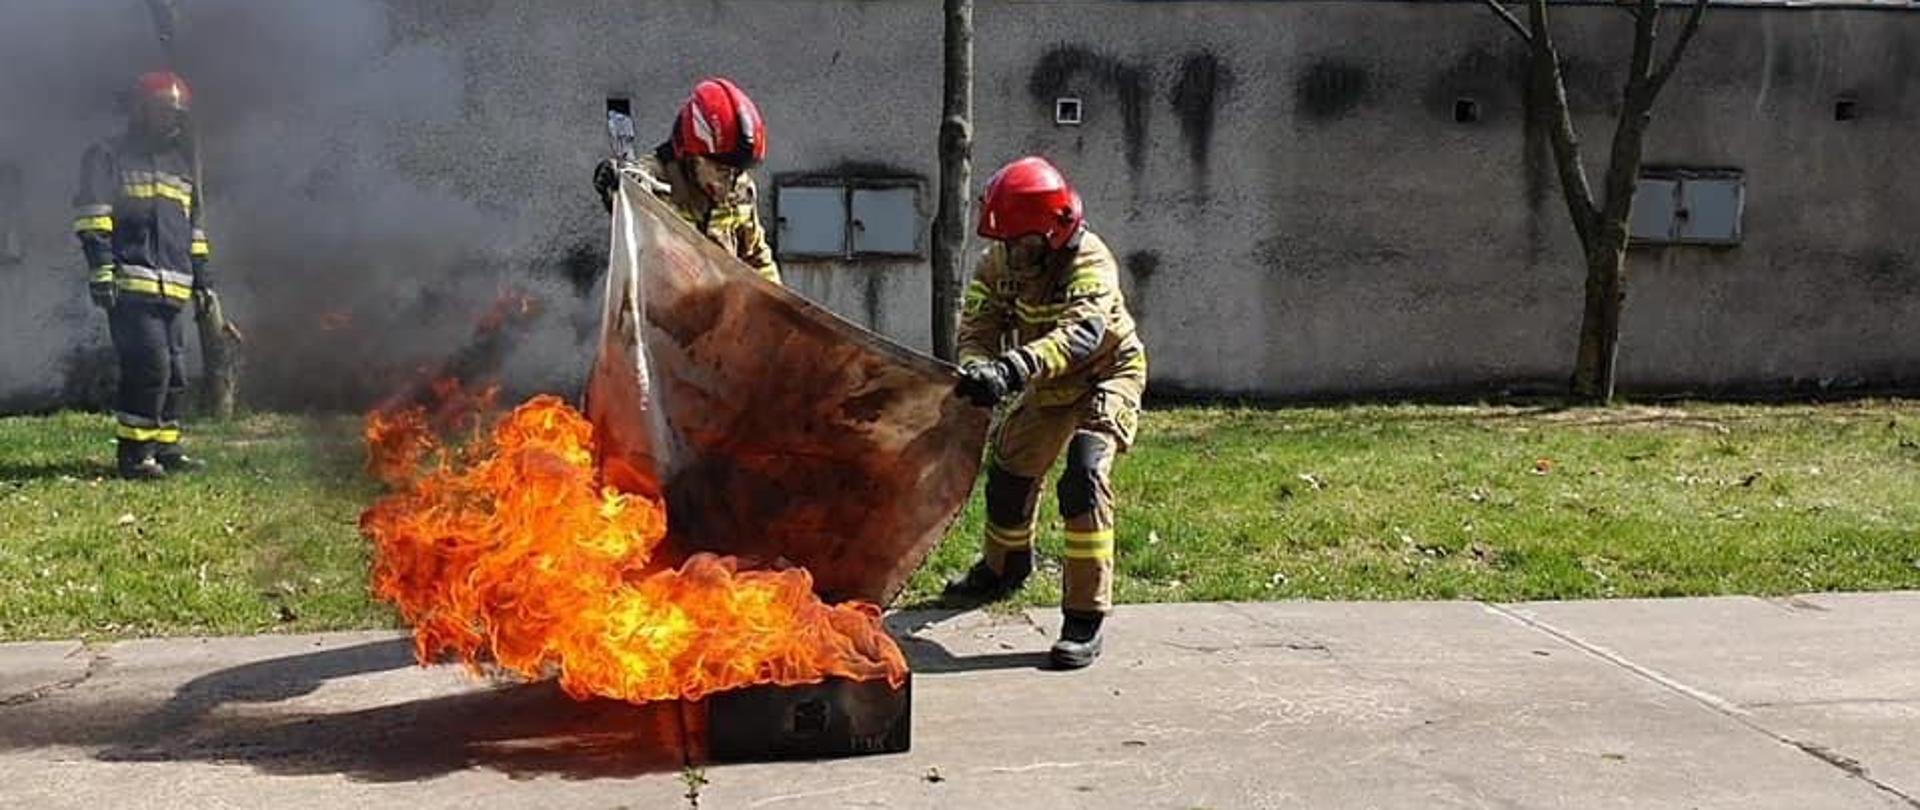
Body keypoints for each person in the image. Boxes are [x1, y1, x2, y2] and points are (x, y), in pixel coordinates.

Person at [946, 156, 1149, 669]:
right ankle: (1005, 568)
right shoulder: (999, 263)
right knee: (1011, 471)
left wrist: (1011, 370)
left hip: (1106, 374)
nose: (1012, 256)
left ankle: (1085, 616)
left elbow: (1080, 337)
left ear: (1053, 233)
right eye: (1004, 244)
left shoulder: (1091, 262)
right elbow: (976, 329)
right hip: (1048, 381)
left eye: (1023, 245)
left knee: (1083, 478)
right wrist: (977, 371)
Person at [73, 71, 224, 479]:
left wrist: (203, 282)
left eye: (177, 114)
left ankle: (166, 447)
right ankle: (135, 454)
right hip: (130, 286)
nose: (171, 121)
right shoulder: (108, 156)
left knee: (175, 370)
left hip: (174, 285)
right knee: (149, 366)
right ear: (139, 111)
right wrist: (101, 265)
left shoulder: (181, 167)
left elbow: (194, 232)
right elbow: (93, 215)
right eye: (163, 112)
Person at [593, 77, 779, 284]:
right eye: (721, 170)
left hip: (724, 309)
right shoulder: (655, 179)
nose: (731, 183)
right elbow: (631, 191)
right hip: (663, 309)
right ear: (692, 156)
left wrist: (781, 312)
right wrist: (614, 185)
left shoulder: (741, 191)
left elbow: (756, 257)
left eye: (738, 172)